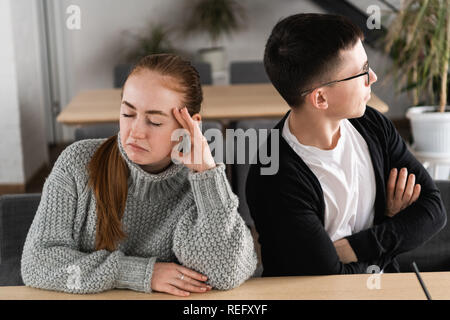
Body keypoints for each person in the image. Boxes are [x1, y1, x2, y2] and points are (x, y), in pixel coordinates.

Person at [21, 53, 257, 296]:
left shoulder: (201, 183)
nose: (135, 132)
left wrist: (207, 175)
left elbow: (226, 273)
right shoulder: (76, 164)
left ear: (191, 127)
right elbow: (37, 263)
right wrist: (140, 272)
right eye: (128, 114)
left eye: (154, 121)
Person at [246, 13, 447, 276]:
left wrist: (354, 246)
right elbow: (331, 279)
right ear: (320, 98)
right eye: (362, 71)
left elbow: (433, 210)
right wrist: (391, 224)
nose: (373, 77)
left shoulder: (372, 125)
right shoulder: (273, 176)